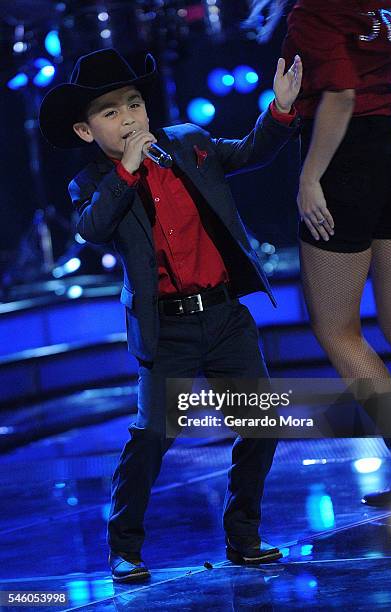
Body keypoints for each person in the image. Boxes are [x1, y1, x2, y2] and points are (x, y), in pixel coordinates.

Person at [39, 47, 302, 581]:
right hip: (168, 326)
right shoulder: (93, 183)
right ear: (87, 132)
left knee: (261, 425)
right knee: (153, 438)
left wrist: (279, 109)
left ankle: (244, 536)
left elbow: (252, 149)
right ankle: (125, 546)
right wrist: (129, 171)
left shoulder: (189, 142)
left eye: (133, 103)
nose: (130, 117)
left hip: (226, 317)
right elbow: (92, 228)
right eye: (110, 112)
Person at [249, 0, 391, 506]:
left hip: (343, 167)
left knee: (336, 329)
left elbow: (341, 97)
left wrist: (310, 176)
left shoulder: (317, 9)